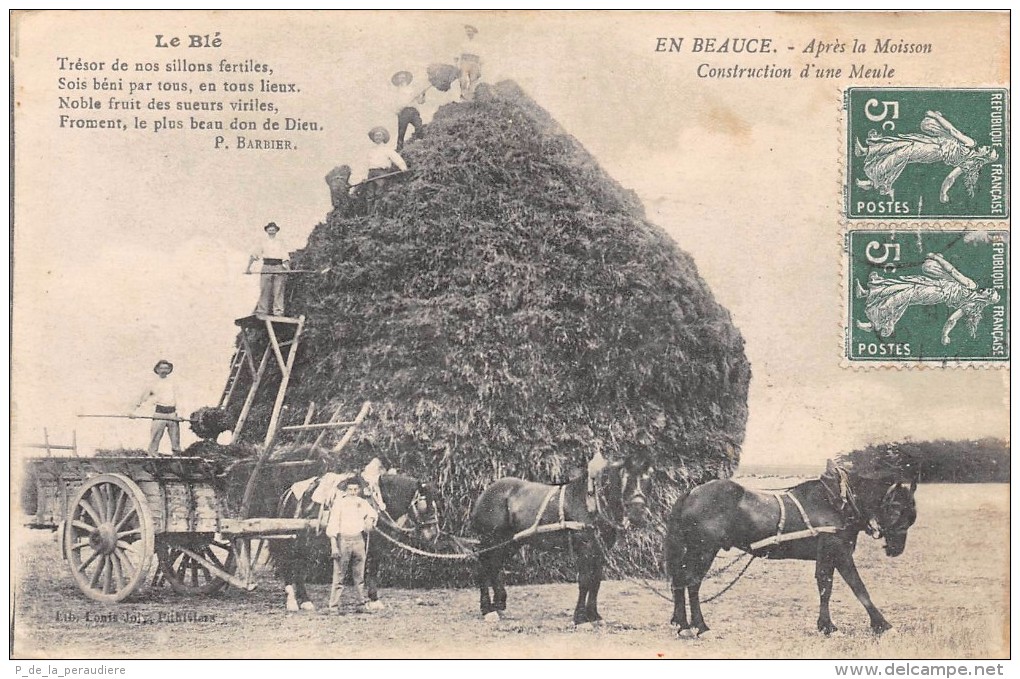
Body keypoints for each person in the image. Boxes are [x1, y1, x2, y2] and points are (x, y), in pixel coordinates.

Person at [854, 110, 999, 204]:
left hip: (934, 151)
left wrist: (936, 117)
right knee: (902, 145)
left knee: (902, 151)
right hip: (933, 145)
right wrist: (943, 193)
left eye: (988, 150)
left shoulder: (971, 145)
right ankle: (867, 154)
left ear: (984, 156)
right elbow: (951, 178)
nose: (986, 147)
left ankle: (874, 180)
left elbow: (953, 131)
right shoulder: (968, 162)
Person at [856, 252, 1000, 345]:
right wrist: (945, 335)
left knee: (903, 296)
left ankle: (873, 324)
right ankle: (867, 293)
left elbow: (953, 272)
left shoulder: (972, 287)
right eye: (990, 289)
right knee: (902, 285)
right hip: (934, 285)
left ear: (986, 298)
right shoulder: (971, 303)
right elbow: (952, 319)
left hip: (935, 292)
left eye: (989, 292)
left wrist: (937, 258)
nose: (987, 289)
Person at [326, 481, 379, 611]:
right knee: (339, 575)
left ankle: (361, 604)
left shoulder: (362, 502)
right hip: (344, 540)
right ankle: (333, 605)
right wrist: (334, 545)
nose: (353, 492)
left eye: (355, 489)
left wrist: (369, 520)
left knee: (359, 575)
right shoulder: (339, 503)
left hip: (359, 540)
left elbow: (373, 513)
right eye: (350, 490)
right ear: (346, 491)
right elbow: (333, 525)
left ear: (359, 490)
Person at [133, 359, 182, 455]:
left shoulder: (173, 383)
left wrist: (180, 414)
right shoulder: (152, 383)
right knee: (155, 438)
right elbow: (143, 397)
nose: (164, 370)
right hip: (159, 413)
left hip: (172, 414)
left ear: (169, 370)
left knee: (175, 440)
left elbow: (179, 399)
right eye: (161, 368)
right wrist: (133, 411)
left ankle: (177, 458)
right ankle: (152, 456)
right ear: (157, 370)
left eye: (166, 368)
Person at [350, 127, 408, 207]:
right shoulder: (371, 151)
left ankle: (377, 214)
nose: (377, 137)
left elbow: (396, 158)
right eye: (375, 136)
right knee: (369, 195)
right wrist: (363, 176)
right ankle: (370, 214)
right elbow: (366, 164)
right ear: (373, 138)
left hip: (382, 173)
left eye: (379, 135)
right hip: (371, 174)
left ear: (383, 137)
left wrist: (403, 167)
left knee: (379, 193)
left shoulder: (387, 149)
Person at [246, 222, 290, 316]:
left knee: (278, 290)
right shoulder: (263, 242)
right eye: (269, 229)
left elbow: (285, 256)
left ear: (276, 231)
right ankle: (262, 311)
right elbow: (254, 255)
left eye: (273, 229)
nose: (271, 231)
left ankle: (278, 312)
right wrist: (248, 268)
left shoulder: (280, 243)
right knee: (264, 289)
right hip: (267, 266)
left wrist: (288, 268)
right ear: (266, 230)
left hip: (278, 267)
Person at [391, 70, 426, 151]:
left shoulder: (413, 90)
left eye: (403, 78)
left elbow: (421, 101)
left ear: (406, 79)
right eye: (400, 78)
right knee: (401, 133)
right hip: (403, 112)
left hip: (413, 111)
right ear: (397, 80)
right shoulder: (396, 92)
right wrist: (398, 110)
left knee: (419, 126)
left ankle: (418, 144)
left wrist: (423, 94)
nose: (402, 79)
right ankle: (399, 150)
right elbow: (394, 105)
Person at [456, 24, 483, 101]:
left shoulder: (478, 44)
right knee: (463, 79)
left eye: (470, 31)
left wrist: (480, 68)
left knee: (473, 80)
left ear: (474, 32)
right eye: (467, 31)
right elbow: (457, 54)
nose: (469, 33)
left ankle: (470, 98)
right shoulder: (463, 42)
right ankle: (463, 95)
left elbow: (481, 57)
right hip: (464, 62)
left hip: (474, 63)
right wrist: (456, 65)